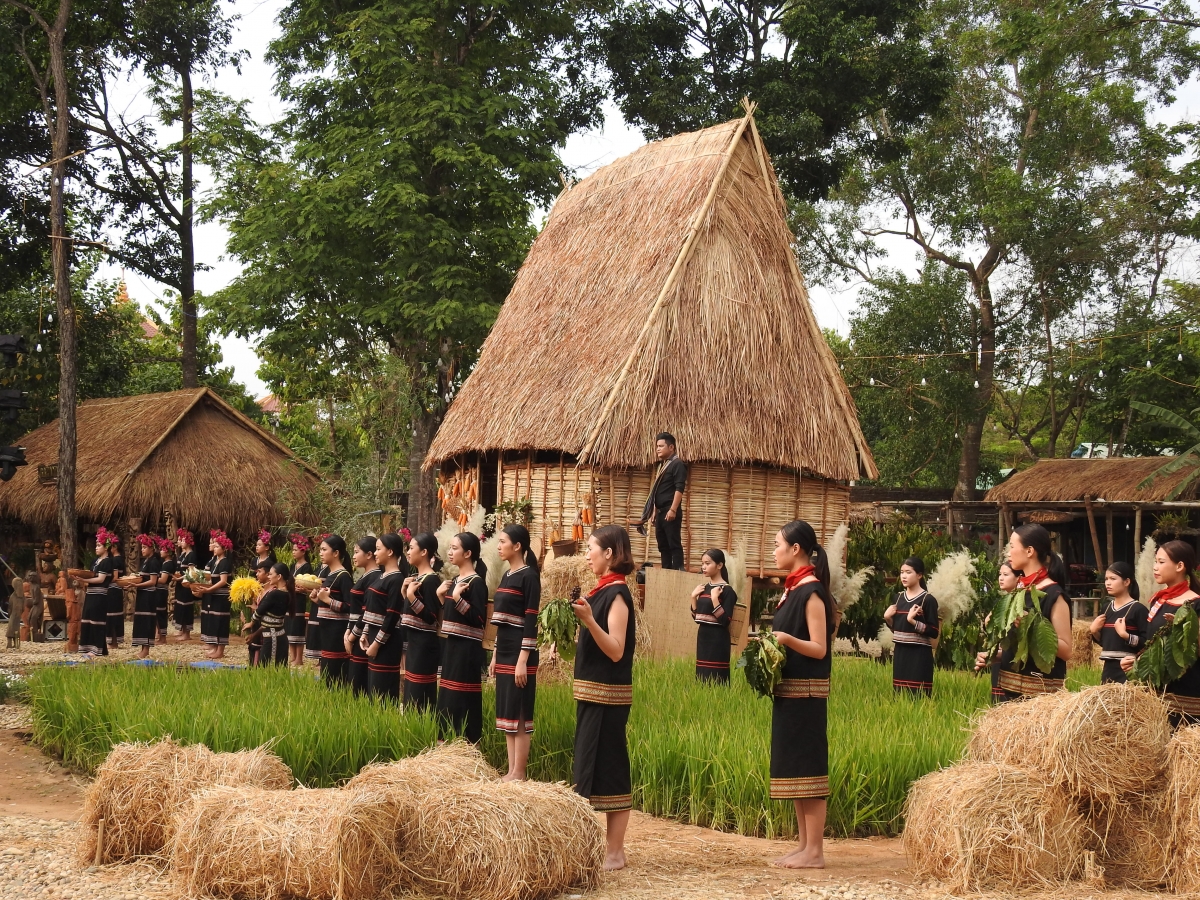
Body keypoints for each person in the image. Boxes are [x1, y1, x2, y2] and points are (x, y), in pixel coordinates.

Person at [571, 525, 637, 871]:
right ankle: (596, 849)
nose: (587, 554)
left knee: (611, 767)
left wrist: (589, 622)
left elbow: (615, 650)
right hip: (592, 694)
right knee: (587, 766)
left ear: (609, 553)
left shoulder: (618, 596)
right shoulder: (600, 592)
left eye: (591, 548)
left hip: (608, 697)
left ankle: (616, 852)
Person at [769, 519, 833, 869]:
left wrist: (786, 641)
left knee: (809, 768)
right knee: (795, 769)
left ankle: (816, 851)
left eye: (778, 544)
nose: (774, 551)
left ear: (796, 549)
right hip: (790, 693)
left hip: (807, 695)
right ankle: (805, 845)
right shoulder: (793, 589)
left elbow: (819, 648)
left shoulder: (811, 591)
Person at [976, 524, 1072, 700]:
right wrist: (994, 656)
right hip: (1009, 695)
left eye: (1012, 546)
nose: (1008, 552)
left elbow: (1066, 651)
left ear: (1029, 551)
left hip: (1039, 701)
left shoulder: (1054, 595)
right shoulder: (1019, 592)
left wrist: (1033, 627)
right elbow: (1020, 647)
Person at [1121, 541, 1200, 724]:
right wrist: (1139, 661)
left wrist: (1185, 629)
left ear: (1180, 566)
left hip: (1186, 691)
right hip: (1158, 691)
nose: (1155, 567)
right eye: (1155, 561)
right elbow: (1153, 643)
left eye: (1161, 562)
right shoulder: (1159, 601)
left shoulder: (1195, 603)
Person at [490, 523, 540, 781]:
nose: (498, 546)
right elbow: (501, 622)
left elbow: (531, 620)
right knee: (508, 711)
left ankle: (519, 772)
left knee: (520, 712)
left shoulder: (529, 576)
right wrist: (495, 654)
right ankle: (511, 771)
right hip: (506, 650)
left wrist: (523, 660)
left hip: (522, 652)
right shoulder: (507, 575)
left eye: (502, 542)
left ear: (517, 546)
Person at [436, 532, 489, 742]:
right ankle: (445, 747)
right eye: (450, 547)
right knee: (448, 698)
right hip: (451, 648)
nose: (450, 552)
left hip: (467, 652)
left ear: (468, 553)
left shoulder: (476, 583)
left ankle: (466, 746)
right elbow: (449, 618)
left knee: (462, 698)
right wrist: (442, 598)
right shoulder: (455, 580)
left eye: (455, 548)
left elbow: (478, 618)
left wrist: (457, 598)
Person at [883, 557, 940, 696]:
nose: (903, 576)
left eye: (908, 572)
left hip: (919, 655)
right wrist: (887, 618)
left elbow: (934, 631)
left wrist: (913, 621)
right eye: (902, 572)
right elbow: (898, 629)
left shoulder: (928, 600)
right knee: (899, 696)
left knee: (918, 696)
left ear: (919, 575)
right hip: (900, 653)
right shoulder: (898, 598)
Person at [363, 532, 408, 700]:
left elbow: (392, 616)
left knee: (383, 689)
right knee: (373, 687)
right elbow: (372, 608)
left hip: (387, 641)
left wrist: (376, 643)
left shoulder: (396, 579)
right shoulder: (382, 576)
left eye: (378, 549)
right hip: (374, 636)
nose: (374, 553)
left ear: (390, 552)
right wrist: (366, 632)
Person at [402, 533, 444, 711]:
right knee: (411, 689)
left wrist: (411, 596)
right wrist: (405, 593)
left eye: (412, 548)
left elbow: (430, 617)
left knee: (420, 693)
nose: (408, 552)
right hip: (414, 642)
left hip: (425, 645)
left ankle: (422, 731)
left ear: (424, 552)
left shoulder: (431, 580)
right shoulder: (416, 578)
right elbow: (410, 613)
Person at [1089, 561, 1147, 684]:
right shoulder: (1106, 608)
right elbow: (1107, 642)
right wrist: (1094, 631)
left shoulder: (1138, 609)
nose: (1108, 583)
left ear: (1126, 582)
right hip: (1108, 669)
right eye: (1106, 579)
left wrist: (1125, 635)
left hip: (1128, 669)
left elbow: (1147, 643)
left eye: (1113, 579)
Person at [640, 433, 687, 570]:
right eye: (657, 447)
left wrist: (673, 509)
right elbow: (659, 490)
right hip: (661, 512)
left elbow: (679, 488)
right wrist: (655, 511)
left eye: (661, 446)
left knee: (674, 544)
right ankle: (666, 572)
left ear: (671, 447)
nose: (658, 449)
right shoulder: (663, 465)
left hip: (670, 510)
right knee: (663, 546)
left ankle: (679, 572)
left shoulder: (677, 464)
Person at [690, 549, 737, 683]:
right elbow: (698, 618)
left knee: (717, 680)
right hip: (703, 638)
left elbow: (725, 621)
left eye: (707, 563)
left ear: (720, 565)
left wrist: (715, 599)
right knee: (702, 680)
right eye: (702, 563)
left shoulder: (727, 591)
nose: (703, 567)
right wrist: (693, 597)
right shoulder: (703, 588)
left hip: (718, 641)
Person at [313, 535, 354, 686]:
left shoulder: (343, 576)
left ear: (336, 553)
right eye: (320, 550)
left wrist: (327, 600)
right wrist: (317, 598)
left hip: (337, 631)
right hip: (327, 629)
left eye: (324, 549)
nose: (320, 553)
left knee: (334, 670)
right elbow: (326, 603)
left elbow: (350, 607)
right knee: (327, 667)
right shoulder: (329, 574)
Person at [346, 537, 381, 695]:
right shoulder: (366, 575)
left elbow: (367, 612)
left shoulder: (374, 577)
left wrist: (353, 636)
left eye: (356, 552)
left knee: (359, 681)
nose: (353, 556)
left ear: (369, 555)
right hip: (355, 631)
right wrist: (348, 630)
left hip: (363, 636)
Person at [245, 563, 293, 667]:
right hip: (277, 635)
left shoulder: (275, 594)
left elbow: (260, 610)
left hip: (273, 637)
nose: (268, 576)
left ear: (279, 576)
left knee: (266, 669)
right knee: (276, 668)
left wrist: (251, 623)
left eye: (271, 574)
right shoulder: (286, 593)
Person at [78, 529, 117, 657]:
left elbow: (100, 579)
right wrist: (82, 579)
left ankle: (97, 649)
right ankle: (88, 647)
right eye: (96, 545)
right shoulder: (95, 561)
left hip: (100, 595)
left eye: (99, 545)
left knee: (96, 620)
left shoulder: (108, 562)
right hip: (91, 593)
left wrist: (84, 579)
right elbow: (91, 574)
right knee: (88, 619)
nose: (96, 548)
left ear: (106, 547)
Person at [195, 530, 234, 660]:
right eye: (215, 546)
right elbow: (210, 578)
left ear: (224, 549)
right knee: (213, 619)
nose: (215, 548)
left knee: (220, 620)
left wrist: (209, 589)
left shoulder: (225, 562)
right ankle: (215, 647)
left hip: (221, 596)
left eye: (217, 546)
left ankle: (220, 650)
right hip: (214, 595)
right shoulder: (215, 561)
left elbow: (223, 581)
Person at [988, 561, 1022, 703]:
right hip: (1000, 658)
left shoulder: (1021, 602)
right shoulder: (1003, 602)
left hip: (1013, 660)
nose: (1000, 578)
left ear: (1018, 578)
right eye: (1000, 574)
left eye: (1006, 574)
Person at [130, 534, 162, 657]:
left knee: (147, 620)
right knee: (141, 619)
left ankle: (146, 649)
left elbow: (153, 581)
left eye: (144, 547)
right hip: (143, 594)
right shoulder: (145, 561)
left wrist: (136, 585)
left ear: (151, 548)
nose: (142, 549)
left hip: (149, 596)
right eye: (142, 547)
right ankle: (142, 647)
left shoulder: (153, 562)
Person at [288, 534, 314, 667]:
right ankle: (293, 657)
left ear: (303, 551)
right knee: (290, 626)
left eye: (295, 550)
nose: (293, 552)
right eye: (292, 550)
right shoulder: (293, 565)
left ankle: (299, 658)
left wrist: (302, 589)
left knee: (297, 627)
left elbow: (308, 584)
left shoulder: (307, 567)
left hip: (299, 600)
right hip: (291, 599)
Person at [173, 529, 197, 641]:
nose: (181, 542)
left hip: (186, 584)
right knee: (180, 606)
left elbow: (191, 572)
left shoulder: (191, 555)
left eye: (183, 540)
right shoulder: (183, 554)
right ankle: (182, 630)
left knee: (186, 606)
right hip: (180, 584)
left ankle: (187, 633)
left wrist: (181, 578)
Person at [107, 534, 125, 649]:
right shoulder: (121, 559)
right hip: (118, 590)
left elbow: (114, 577)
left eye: (110, 546)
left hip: (113, 589)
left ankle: (112, 642)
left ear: (115, 547)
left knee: (111, 615)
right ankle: (115, 641)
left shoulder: (115, 560)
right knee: (116, 614)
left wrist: (103, 579)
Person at [156, 537, 176, 643]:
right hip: (160, 590)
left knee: (160, 612)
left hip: (161, 590)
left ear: (168, 552)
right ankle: (160, 635)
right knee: (158, 612)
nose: (160, 551)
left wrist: (151, 579)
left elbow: (163, 580)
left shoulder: (168, 564)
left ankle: (163, 637)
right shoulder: (165, 563)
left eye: (163, 549)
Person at [24, 574, 43, 644]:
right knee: (29, 618)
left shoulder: (36, 587)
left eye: (32, 577)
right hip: (35, 605)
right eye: (29, 576)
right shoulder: (31, 586)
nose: (30, 578)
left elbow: (36, 601)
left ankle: (35, 633)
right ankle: (31, 633)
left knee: (33, 618)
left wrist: (29, 601)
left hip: (38, 605)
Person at [6, 574, 23, 650]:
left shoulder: (13, 596)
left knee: (11, 629)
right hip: (18, 615)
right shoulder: (22, 596)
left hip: (13, 615)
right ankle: (14, 644)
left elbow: (10, 606)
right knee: (16, 628)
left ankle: (10, 644)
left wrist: (9, 612)